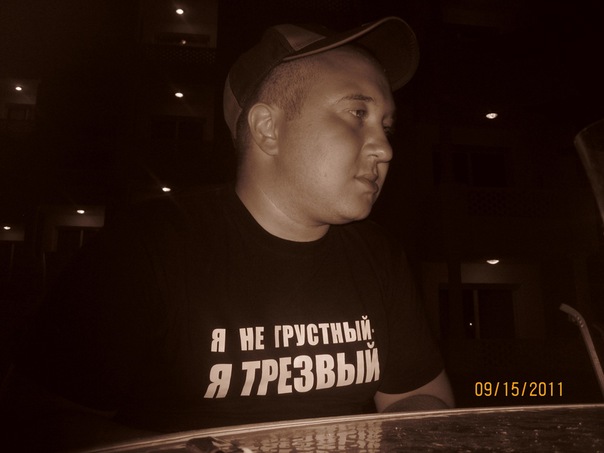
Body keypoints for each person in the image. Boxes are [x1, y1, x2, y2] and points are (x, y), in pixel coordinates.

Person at [1, 16, 454, 451]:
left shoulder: (377, 255)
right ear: (268, 129)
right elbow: (34, 422)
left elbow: (422, 398)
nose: (385, 148)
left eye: (386, 126)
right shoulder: (146, 248)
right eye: (357, 113)